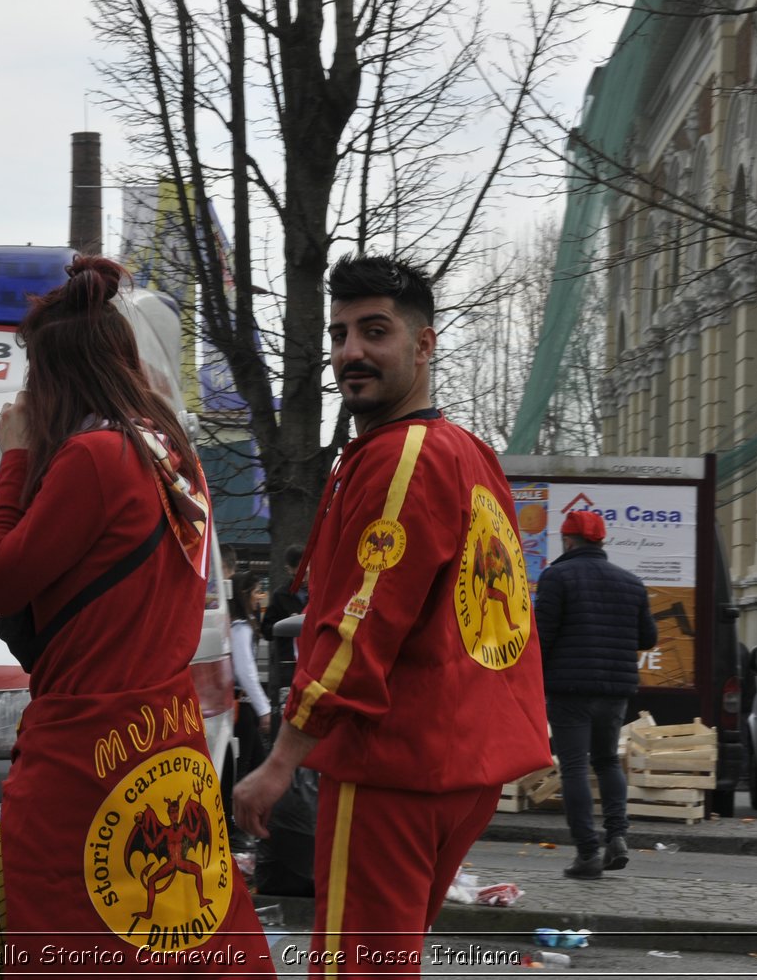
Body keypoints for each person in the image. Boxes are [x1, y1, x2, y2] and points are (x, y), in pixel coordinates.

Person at [0, 256, 271, 976]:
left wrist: (15, 459)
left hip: (83, 755)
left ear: (57, 376)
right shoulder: (173, 454)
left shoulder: (94, 457)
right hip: (161, 741)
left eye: (34, 374)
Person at [233, 255, 551, 975]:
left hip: (390, 769)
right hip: (458, 765)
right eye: (340, 333)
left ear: (425, 343)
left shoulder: (399, 458)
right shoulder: (466, 450)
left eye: (374, 331)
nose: (350, 352)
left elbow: (355, 629)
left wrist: (281, 761)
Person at [533, 509, 657, 879]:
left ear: (568, 541)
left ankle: (588, 852)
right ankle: (617, 836)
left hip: (570, 690)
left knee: (573, 766)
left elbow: (542, 637)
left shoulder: (556, 577)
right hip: (615, 691)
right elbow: (648, 638)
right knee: (605, 762)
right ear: (601, 541)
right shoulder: (631, 583)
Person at [222, 545, 270, 849]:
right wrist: (265, 708)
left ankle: (243, 828)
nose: (259, 596)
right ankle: (241, 829)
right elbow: (246, 671)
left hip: (244, 705)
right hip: (243, 705)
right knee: (250, 766)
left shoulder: (243, 625)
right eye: (256, 591)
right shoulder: (240, 627)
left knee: (250, 764)